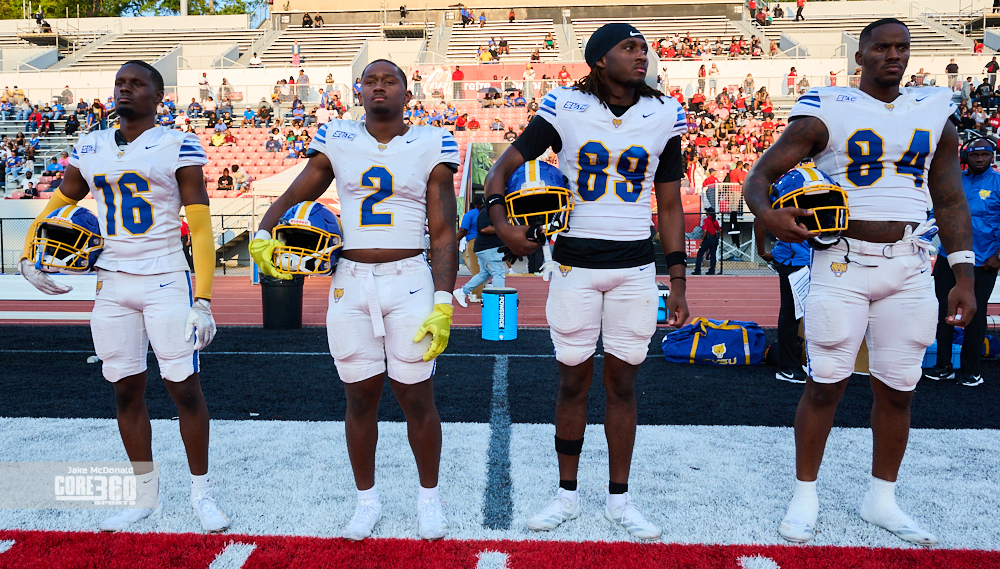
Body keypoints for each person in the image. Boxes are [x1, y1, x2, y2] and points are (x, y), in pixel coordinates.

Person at [742, 18, 975, 547]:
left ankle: (882, 498)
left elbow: (950, 198)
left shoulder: (934, 110)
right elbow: (760, 175)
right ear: (860, 55)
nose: (894, 55)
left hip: (911, 262)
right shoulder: (828, 108)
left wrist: (963, 273)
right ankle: (805, 495)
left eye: (902, 47)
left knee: (899, 388)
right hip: (842, 261)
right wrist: (767, 214)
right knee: (825, 383)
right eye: (882, 47)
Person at [482, 23, 690, 540]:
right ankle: (566, 493)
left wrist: (678, 277)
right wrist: (501, 223)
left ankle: (620, 499)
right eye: (629, 47)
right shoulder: (566, 106)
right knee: (573, 382)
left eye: (644, 48)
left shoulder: (664, 112)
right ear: (599, 59)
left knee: (623, 385)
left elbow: (668, 203)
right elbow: (501, 169)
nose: (641, 55)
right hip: (573, 265)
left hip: (635, 268)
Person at [249, 59, 459, 542]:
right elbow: (298, 190)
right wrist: (262, 231)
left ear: (408, 93)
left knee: (416, 396)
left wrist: (443, 299)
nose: (379, 86)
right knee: (359, 397)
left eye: (390, 80)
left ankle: (429, 499)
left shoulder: (432, 140)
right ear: (358, 91)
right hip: (350, 280)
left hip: (409, 278)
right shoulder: (337, 137)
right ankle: (367, 501)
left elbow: (444, 231)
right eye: (370, 80)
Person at [17, 60, 226, 533]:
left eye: (136, 83)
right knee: (125, 388)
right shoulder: (91, 145)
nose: (124, 89)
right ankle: (143, 494)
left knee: (183, 387)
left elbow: (200, 226)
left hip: (165, 277)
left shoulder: (177, 143)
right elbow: (57, 205)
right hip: (112, 281)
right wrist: (29, 255)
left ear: (158, 96)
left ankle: (201, 492)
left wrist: (204, 299)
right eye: (119, 83)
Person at [924, 137, 1000, 386]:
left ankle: (970, 371)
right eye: (975, 154)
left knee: (975, 315)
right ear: (966, 157)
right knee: (943, 311)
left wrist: (999, 256)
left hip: (984, 261)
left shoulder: (998, 183)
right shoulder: (954, 182)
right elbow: (937, 214)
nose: (980, 159)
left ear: (992, 157)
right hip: (949, 258)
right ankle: (943, 365)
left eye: (985, 155)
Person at [755, 217, 811, 382]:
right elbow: (760, 219)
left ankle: (798, 361)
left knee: (808, 313)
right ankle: (787, 368)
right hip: (793, 261)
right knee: (791, 314)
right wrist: (762, 252)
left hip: (810, 259)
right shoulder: (786, 203)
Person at [453, 197, 506, 305]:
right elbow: (482, 228)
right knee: (497, 272)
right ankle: (499, 300)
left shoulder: (475, 213)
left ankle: (463, 291)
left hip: (479, 245)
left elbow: (463, 229)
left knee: (483, 273)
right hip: (486, 246)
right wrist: (504, 228)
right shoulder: (486, 213)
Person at [692, 207, 720, 275]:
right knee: (713, 255)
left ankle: (697, 270)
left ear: (708, 213)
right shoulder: (715, 221)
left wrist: (702, 239)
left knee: (700, 253)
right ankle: (712, 270)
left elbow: (705, 230)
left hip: (708, 239)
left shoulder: (706, 220)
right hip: (714, 239)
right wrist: (718, 237)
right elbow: (720, 230)